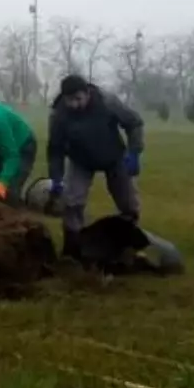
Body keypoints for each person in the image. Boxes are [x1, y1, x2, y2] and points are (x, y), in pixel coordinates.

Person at [46, 74, 144, 259]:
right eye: (69, 100)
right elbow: (55, 149)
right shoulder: (59, 114)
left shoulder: (107, 101)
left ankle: (128, 243)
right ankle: (73, 249)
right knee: (71, 201)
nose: (74, 105)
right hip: (80, 160)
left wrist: (134, 152)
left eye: (78, 99)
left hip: (114, 157)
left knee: (128, 202)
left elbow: (134, 123)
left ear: (87, 93)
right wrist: (56, 178)